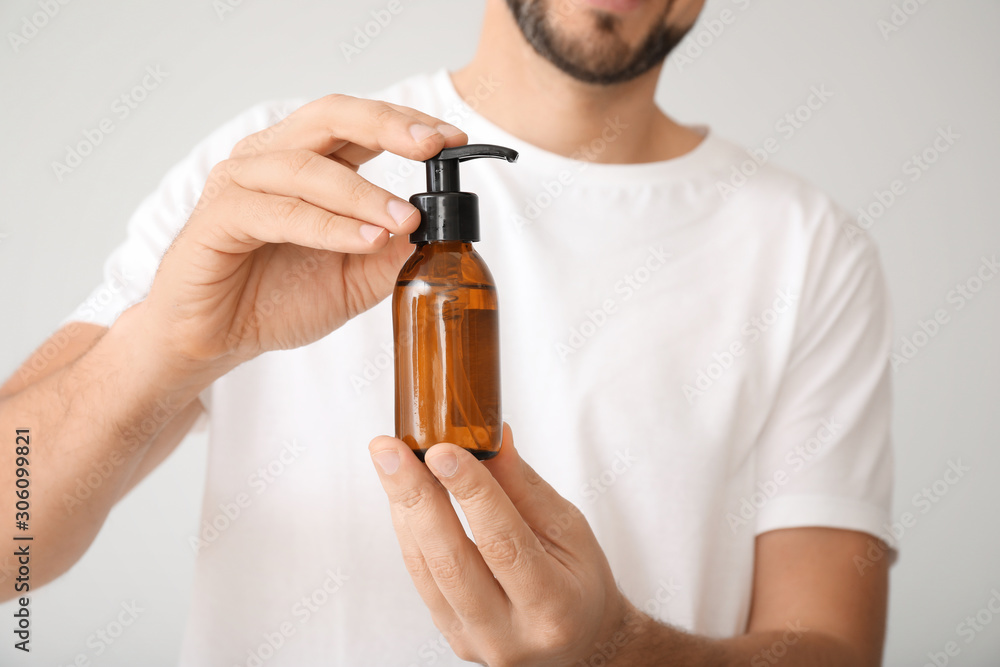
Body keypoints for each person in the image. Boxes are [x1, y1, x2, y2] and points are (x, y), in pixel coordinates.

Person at [0, 0, 894, 664]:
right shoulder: (274, 173)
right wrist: (167, 346)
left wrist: (618, 647)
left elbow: (832, 650)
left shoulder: (808, 247)